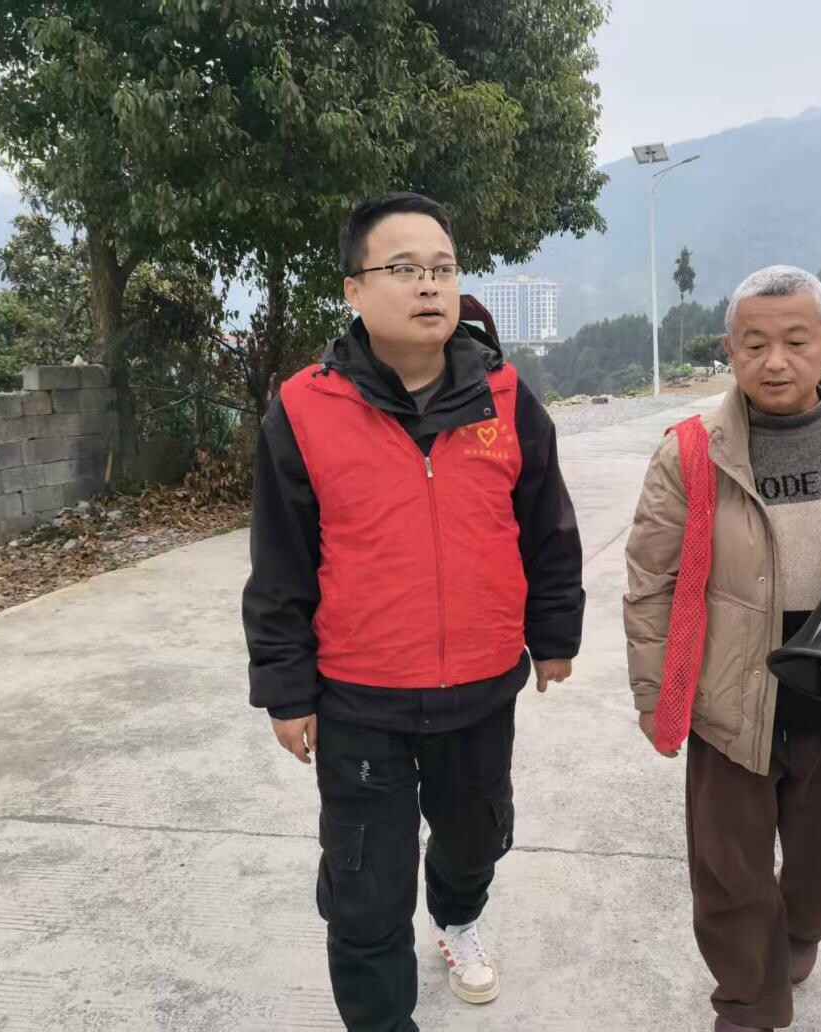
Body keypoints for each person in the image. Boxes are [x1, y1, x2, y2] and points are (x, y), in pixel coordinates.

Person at [243, 192, 585, 1031]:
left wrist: (553, 635)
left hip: (481, 687)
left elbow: (548, 526)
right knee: (366, 887)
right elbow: (281, 564)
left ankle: (458, 919)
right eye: (403, 268)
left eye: (442, 268)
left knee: (475, 842)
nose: (429, 285)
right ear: (355, 290)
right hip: (360, 700)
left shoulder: (507, 397)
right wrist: (285, 689)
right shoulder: (304, 409)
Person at [623, 266, 821, 1032]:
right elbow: (650, 581)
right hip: (729, 694)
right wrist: (653, 694)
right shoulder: (690, 452)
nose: (776, 362)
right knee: (731, 881)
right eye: (755, 343)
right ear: (730, 348)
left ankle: (799, 928)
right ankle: (749, 1005)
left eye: (796, 342)